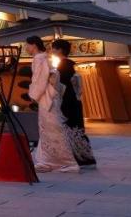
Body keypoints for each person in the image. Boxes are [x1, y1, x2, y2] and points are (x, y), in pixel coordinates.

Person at [26, 36, 79, 173]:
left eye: (28, 45)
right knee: (47, 128)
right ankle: (48, 160)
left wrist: (33, 94)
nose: (26, 48)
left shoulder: (39, 58)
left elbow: (40, 78)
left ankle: (68, 161)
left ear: (34, 45)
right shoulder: (45, 57)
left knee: (53, 128)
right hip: (49, 96)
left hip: (47, 97)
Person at [50, 39, 95, 167]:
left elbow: (60, 85)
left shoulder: (63, 66)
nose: (52, 51)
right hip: (73, 100)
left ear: (59, 50)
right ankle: (85, 159)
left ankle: (82, 159)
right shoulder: (70, 65)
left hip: (68, 100)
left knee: (71, 129)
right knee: (76, 129)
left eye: (54, 48)